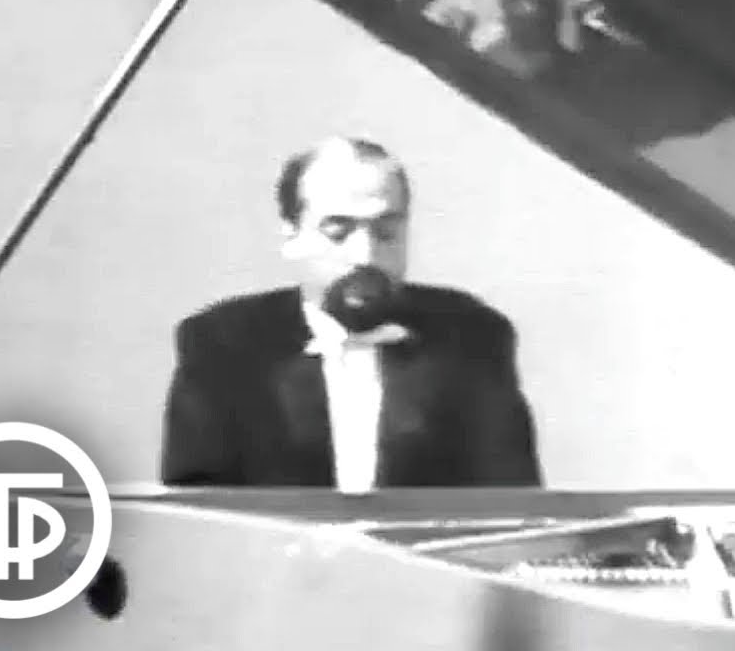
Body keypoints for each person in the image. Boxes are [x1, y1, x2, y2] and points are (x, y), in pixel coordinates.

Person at [159, 136, 543, 490]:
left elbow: (514, 502)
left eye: (386, 232)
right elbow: (198, 511)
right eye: (338, 232)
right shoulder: (222, 344)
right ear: (292, 235)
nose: (365, 256)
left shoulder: (473, 335)